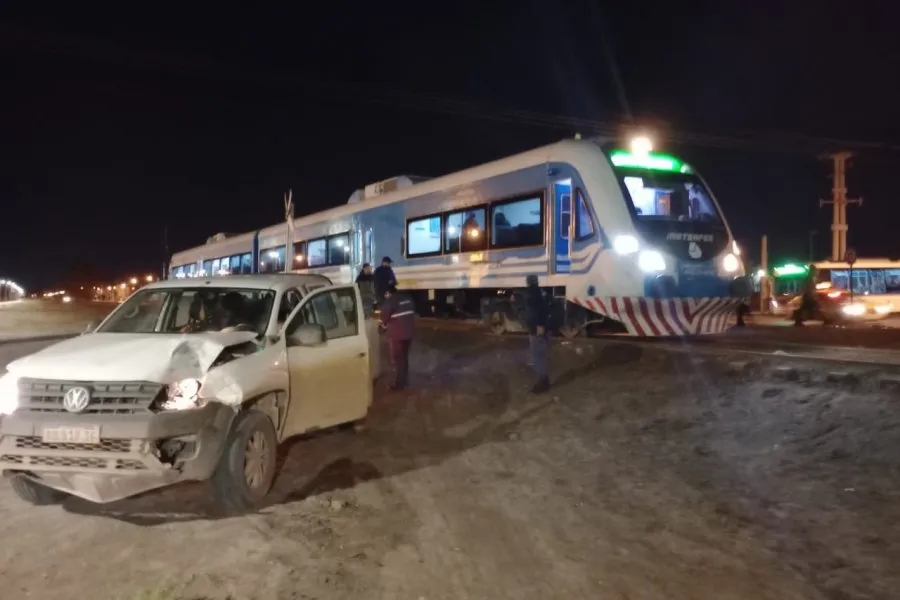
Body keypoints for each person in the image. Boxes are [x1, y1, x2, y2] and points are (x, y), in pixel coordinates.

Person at [379, 284, 415, 390]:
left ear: (388, 293)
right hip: (409, 334)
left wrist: (382, 327)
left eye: (385, 294)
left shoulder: (390, 301)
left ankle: (399, 384)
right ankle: (405, 381)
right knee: (404, 357)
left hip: (397, 335)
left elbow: (384, 317)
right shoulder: (408, 298)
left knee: (398, 359)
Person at [523, 274, 550, 393]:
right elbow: (545, 309)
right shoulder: (540, 292)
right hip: (538, 328)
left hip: (536, 329)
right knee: (540, 354)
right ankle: (544, 380)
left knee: (537, 355)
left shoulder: (533, 293)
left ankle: (542, 382)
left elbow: (538, 310)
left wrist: (539, 324)